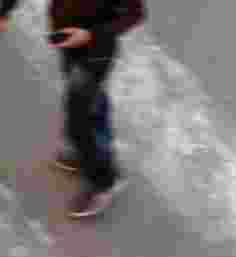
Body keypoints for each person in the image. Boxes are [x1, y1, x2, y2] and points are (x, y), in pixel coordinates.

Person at [0, 0, 145, 218]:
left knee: (79, 121)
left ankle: (104, 181)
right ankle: (91, 155)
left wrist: (89, 35)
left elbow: (136, 14)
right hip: (67, 41)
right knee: (89, 103)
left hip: (96, 50)